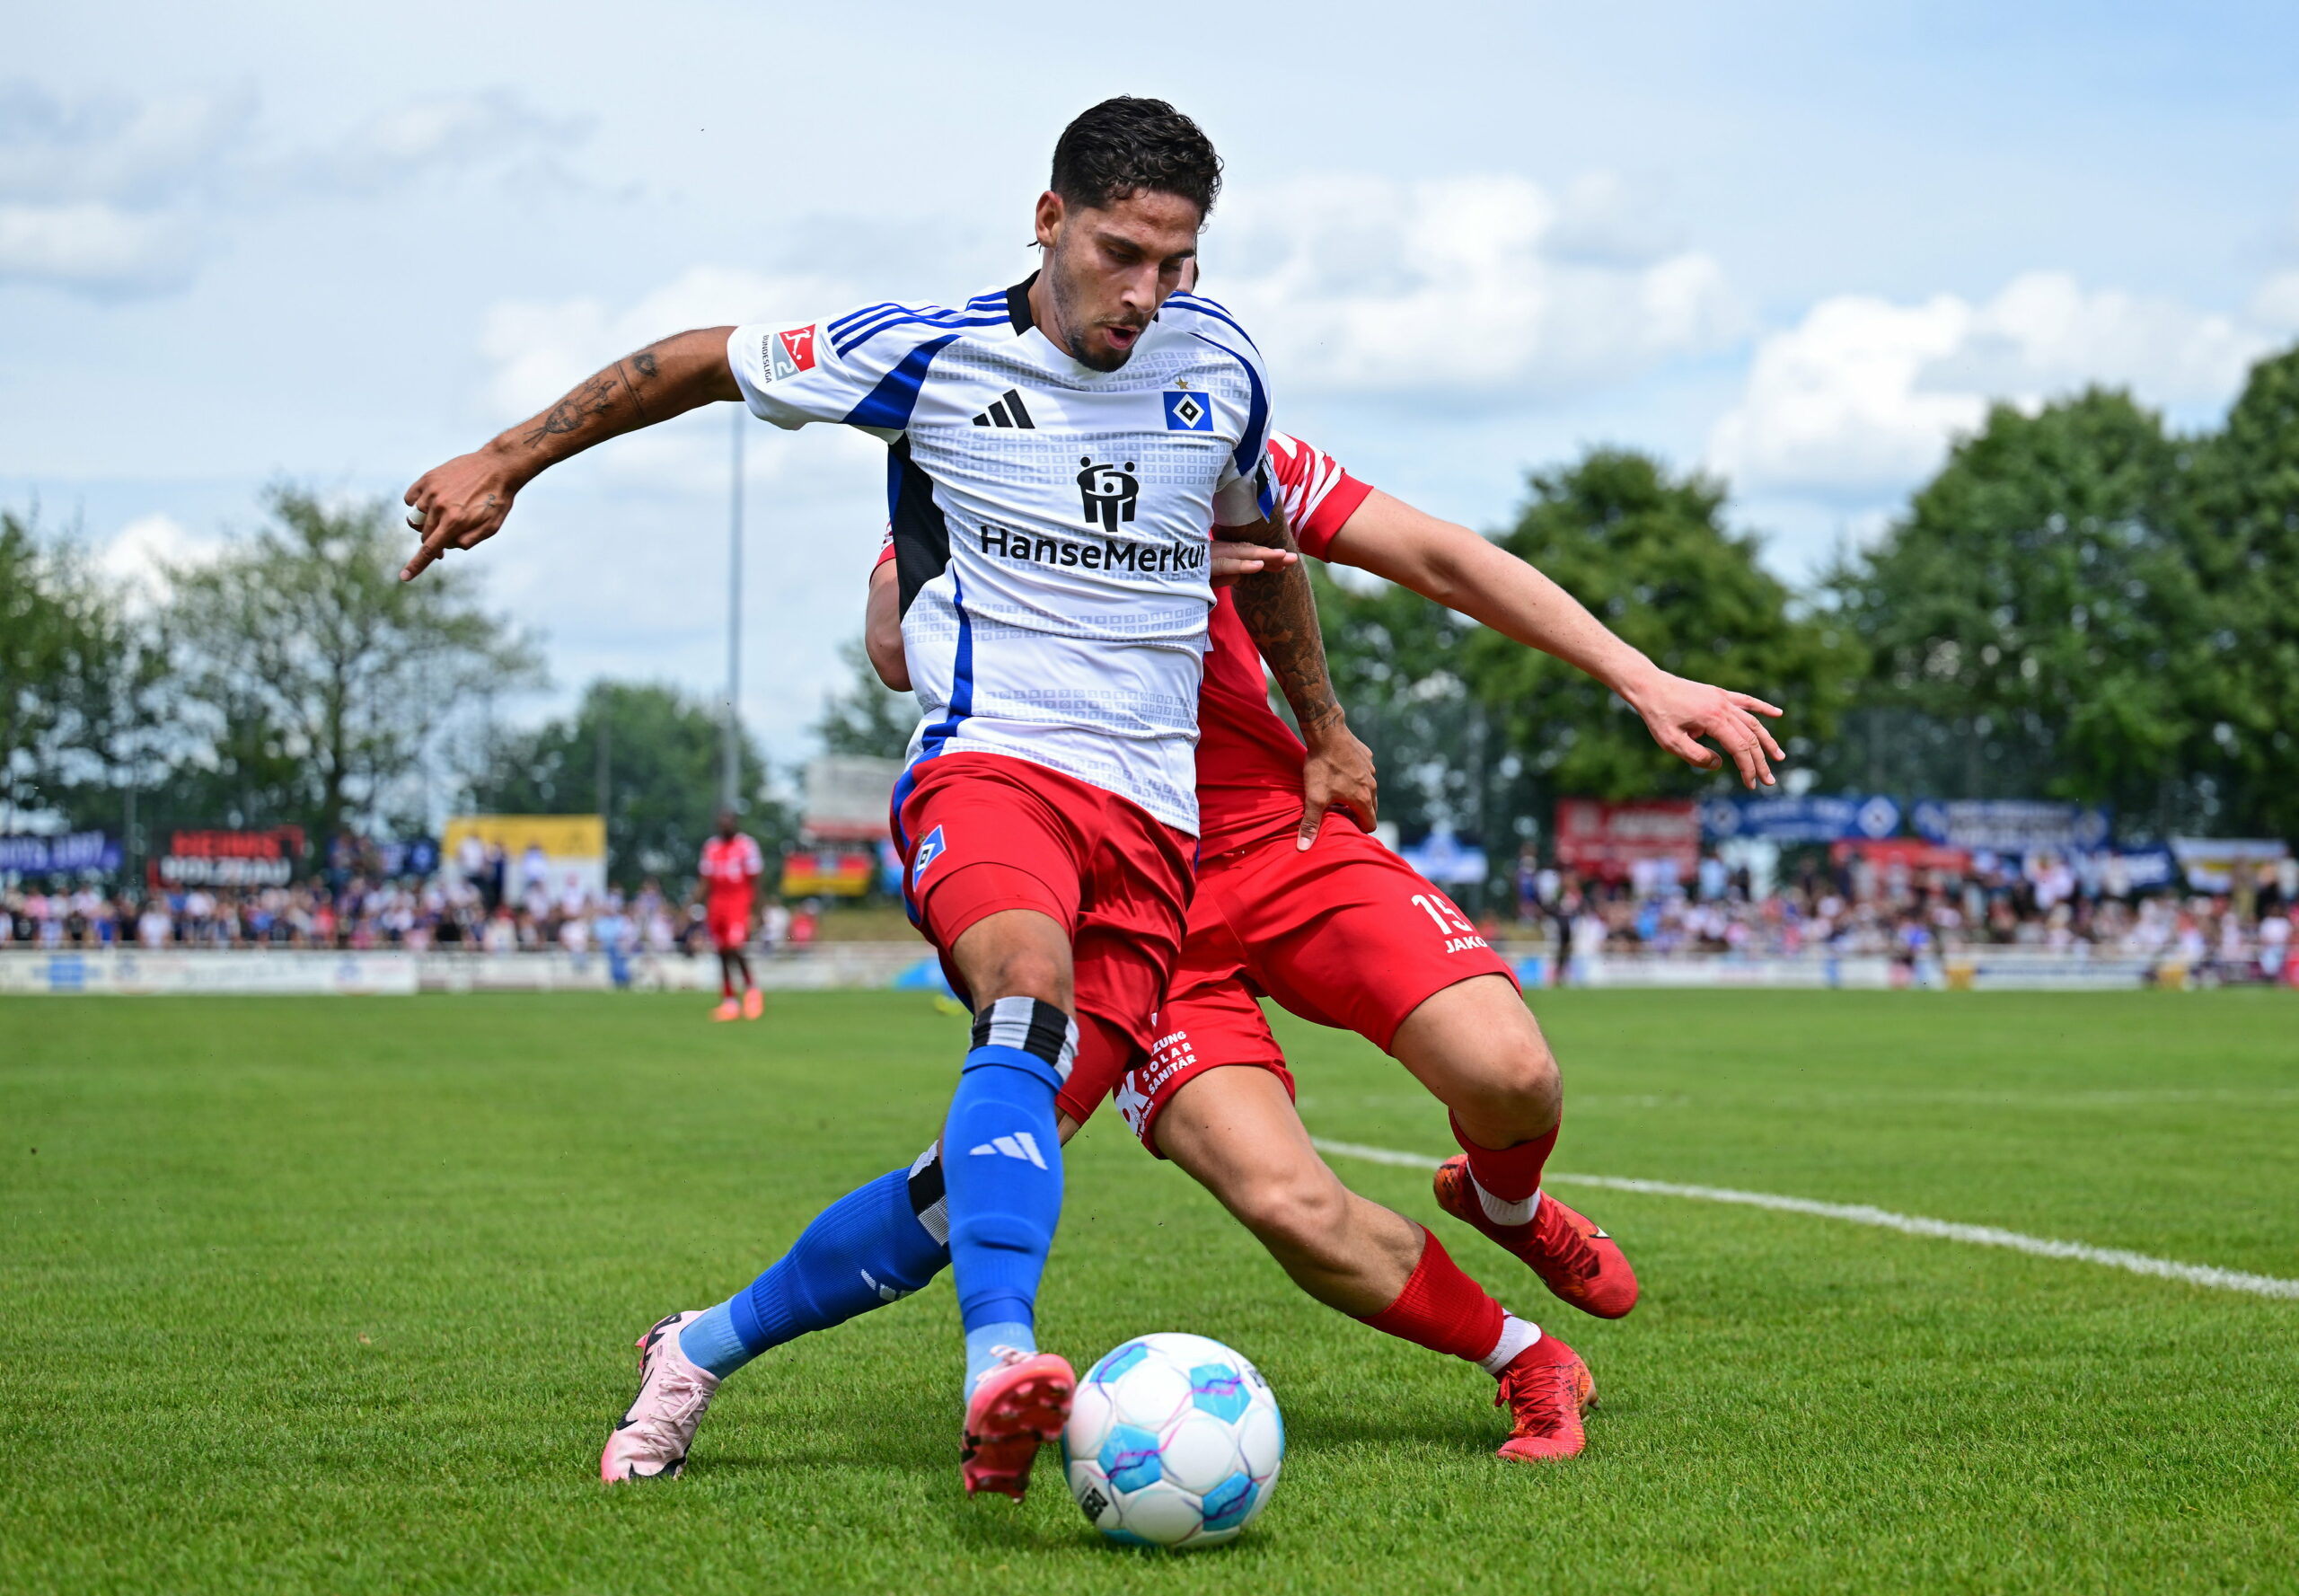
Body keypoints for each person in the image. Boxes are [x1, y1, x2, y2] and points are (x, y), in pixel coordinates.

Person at [401, 97, 1362, 1499]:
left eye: (1178, 262)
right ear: (1049, 222)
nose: (1148, 294)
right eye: (1121, 253)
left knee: (958, 1186)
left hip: (1155, 827)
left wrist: (1322, 731)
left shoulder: (1217, 364)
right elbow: (696, 361)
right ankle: (998, 1371)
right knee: (1022, 999)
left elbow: (1261, 545)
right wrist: (505, 460)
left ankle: (697, 1349)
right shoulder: (934, 353)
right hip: (995, 773)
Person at [592, 421, 1788, 1481]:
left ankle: (1507, 1199)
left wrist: (1639, 674)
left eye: (1174, 271)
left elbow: (1441, 555)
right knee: (1259, 1196)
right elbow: (901, 651)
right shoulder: (974, 480)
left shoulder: (1216, 433)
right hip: (1129, 890)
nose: (1149, 305)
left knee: (1511, 1072)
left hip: (1284, 837)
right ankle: (1531, 1359)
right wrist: (1004, 564)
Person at [696, 810, 765, 1021]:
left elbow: (756, 880)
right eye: (721, 822)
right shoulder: (711, 847)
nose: (725, 826)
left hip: (738, 902)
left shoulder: (747, 846)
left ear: (735, 824)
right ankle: (730, 1001)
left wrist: (758, 911)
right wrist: (688, 906)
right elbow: (705, 881)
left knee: (736, 947)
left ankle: (752, 990)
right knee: (722, 952)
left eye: (728, 822)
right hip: (717, 903)